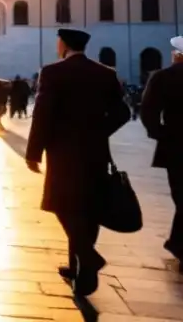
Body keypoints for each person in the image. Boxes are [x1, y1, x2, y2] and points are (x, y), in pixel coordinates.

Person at [26, 28, 130, 296]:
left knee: (61, 203)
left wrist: (33, 152)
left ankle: (88, 257)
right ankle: (81, 274)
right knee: (87, 207)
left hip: (62, 152)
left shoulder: (52, 72)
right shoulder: (105, 73)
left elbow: (42, 115)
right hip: (95, 151)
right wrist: (99, 131)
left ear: (63, 45)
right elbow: (122, 112)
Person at [140, 36, 183, 266]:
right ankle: (177, 243)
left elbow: (148, 111)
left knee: (181, 195)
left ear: (176, 55)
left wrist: (160, 134)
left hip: (176, 146)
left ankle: (178, 244)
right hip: (174, 144)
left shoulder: (164, 77)